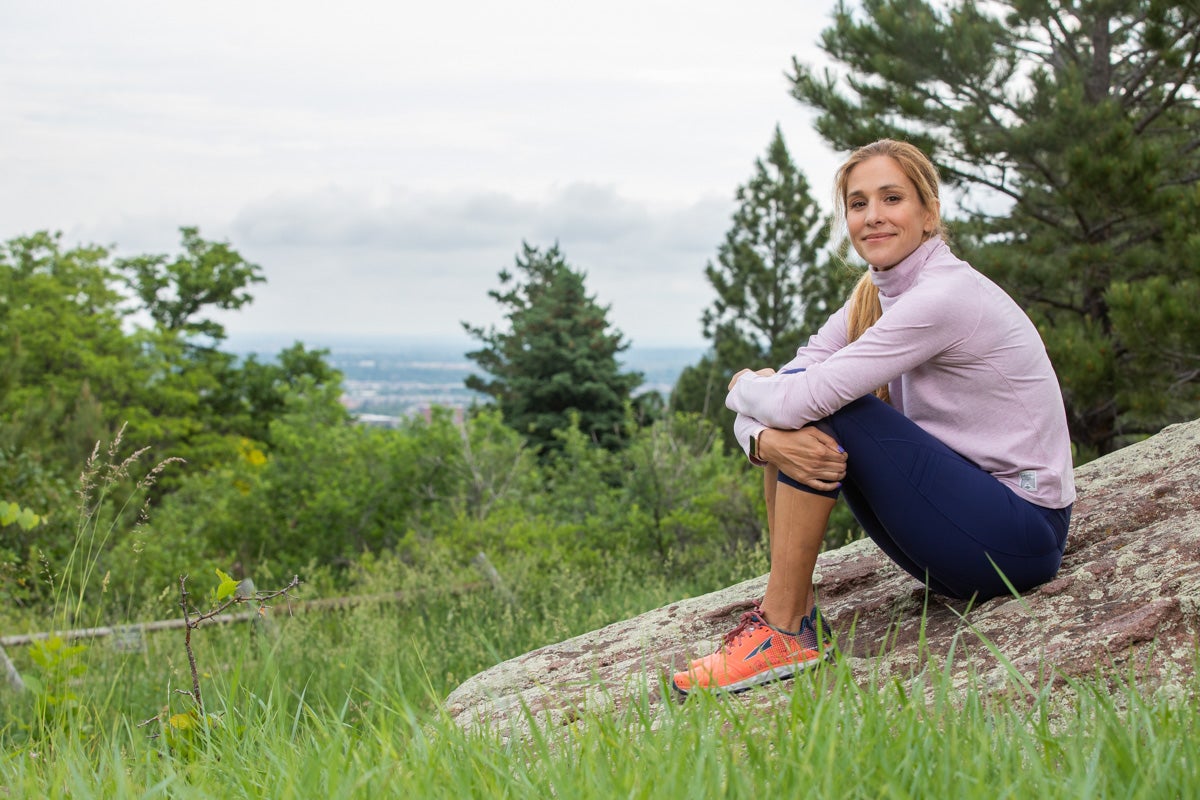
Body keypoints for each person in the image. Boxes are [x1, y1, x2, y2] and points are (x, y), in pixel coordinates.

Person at [672, 139, 1076, 696]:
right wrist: (763, 439)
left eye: (892, 198)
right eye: (858, 204)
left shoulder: (945, 295)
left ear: (929, 212)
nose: (873, 216)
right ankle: (792, 616)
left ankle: (784, 629)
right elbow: (790, 388)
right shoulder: (876, 295)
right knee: (799, 416)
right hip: (962, 528)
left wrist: (741, 388)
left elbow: (793, 399)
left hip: (1019, 534)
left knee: (826, 410)